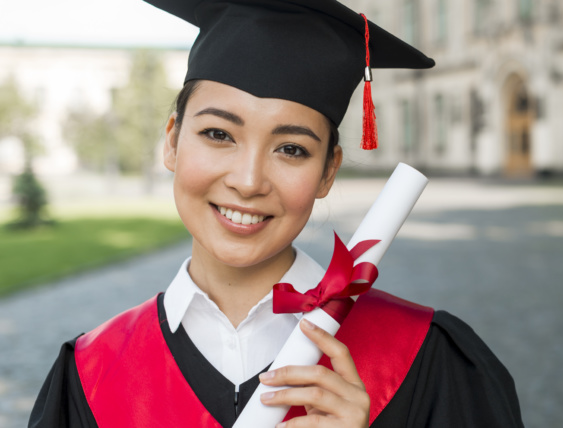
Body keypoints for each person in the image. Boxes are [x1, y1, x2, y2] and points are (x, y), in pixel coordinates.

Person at [29, 0, 524, 427]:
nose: (248, 181)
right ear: (172, 142)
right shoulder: (94, 373)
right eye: (219, 134)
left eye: (291, 149)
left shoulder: (426, 358)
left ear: (329, 171)